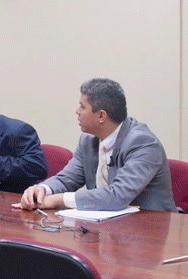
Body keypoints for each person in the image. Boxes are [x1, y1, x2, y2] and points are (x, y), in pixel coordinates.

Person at [14, 78, 177, 212]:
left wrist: (56, 199)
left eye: (82, 107)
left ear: (101, 116)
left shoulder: (143, 143)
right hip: (107, 229)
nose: (77, 111)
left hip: (152, 232)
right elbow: (67, 179)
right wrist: (42, 190)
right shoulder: (88, 140)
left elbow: (117, 196)